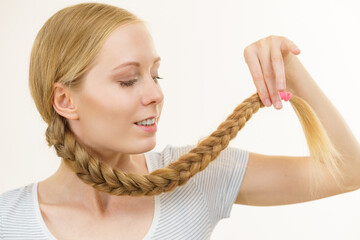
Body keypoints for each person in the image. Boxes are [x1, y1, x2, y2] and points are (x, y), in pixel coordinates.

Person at [1, 2, 359, 240]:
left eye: (156, 75)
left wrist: (291, 73)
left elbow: (348, 172)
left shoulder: (199, 176)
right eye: (128, 80)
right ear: (65, 100)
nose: (154, 95)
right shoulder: (8, 220)